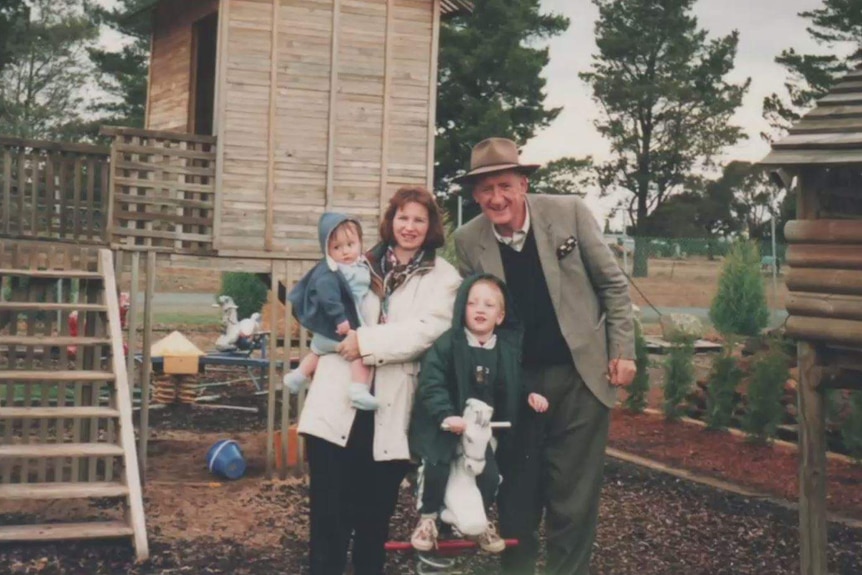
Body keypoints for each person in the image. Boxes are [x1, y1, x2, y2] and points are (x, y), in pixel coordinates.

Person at [452, 137, 637, 575]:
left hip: (579, 379)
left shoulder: (567, 212)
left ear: (523, 182)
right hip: (513, 385)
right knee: (515, 496)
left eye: (505, 185)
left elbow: (613, 286)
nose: (496, 198)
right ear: (475, 195)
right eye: (485, 190)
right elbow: (472, 315)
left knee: (572, 500)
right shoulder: (468, 239)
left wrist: (623, 351)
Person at [298, 186, 461, 575]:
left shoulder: (444, 277)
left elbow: (426, 331)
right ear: (391, 221)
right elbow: (320, 305)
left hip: (389, 412)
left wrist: (364, 342)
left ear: (431, 226)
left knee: (372, 526)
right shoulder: (355, 261)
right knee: (327, 523)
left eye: (419, 220)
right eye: (403, 217)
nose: (409, 226)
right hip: (336, 408)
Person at [408, 274, 549, 554]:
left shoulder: (506, 351)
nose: (480, 309)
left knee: (490, 475)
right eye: (472, 303)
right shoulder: (449, 344)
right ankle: (428, 518)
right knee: (437, 468)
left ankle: (481, 519)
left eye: (488, 305)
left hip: (481, 431)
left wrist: (529, 395)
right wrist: (446, 415)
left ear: (500, 315)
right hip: (447, 427)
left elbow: (515, 382)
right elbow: (432, 382)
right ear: (462, 309)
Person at [283, 213, 377, 410]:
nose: (345, 252)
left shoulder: (356, 265)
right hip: (340, 327)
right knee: (361, 353)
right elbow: (329, 298)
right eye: (336, 247)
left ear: (360, 243)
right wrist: (340, 319)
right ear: (327, 249)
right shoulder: (330, 272)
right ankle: (358, 390)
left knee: (316, 351)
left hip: (324, 334)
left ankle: (298, 375)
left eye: (350, 244)